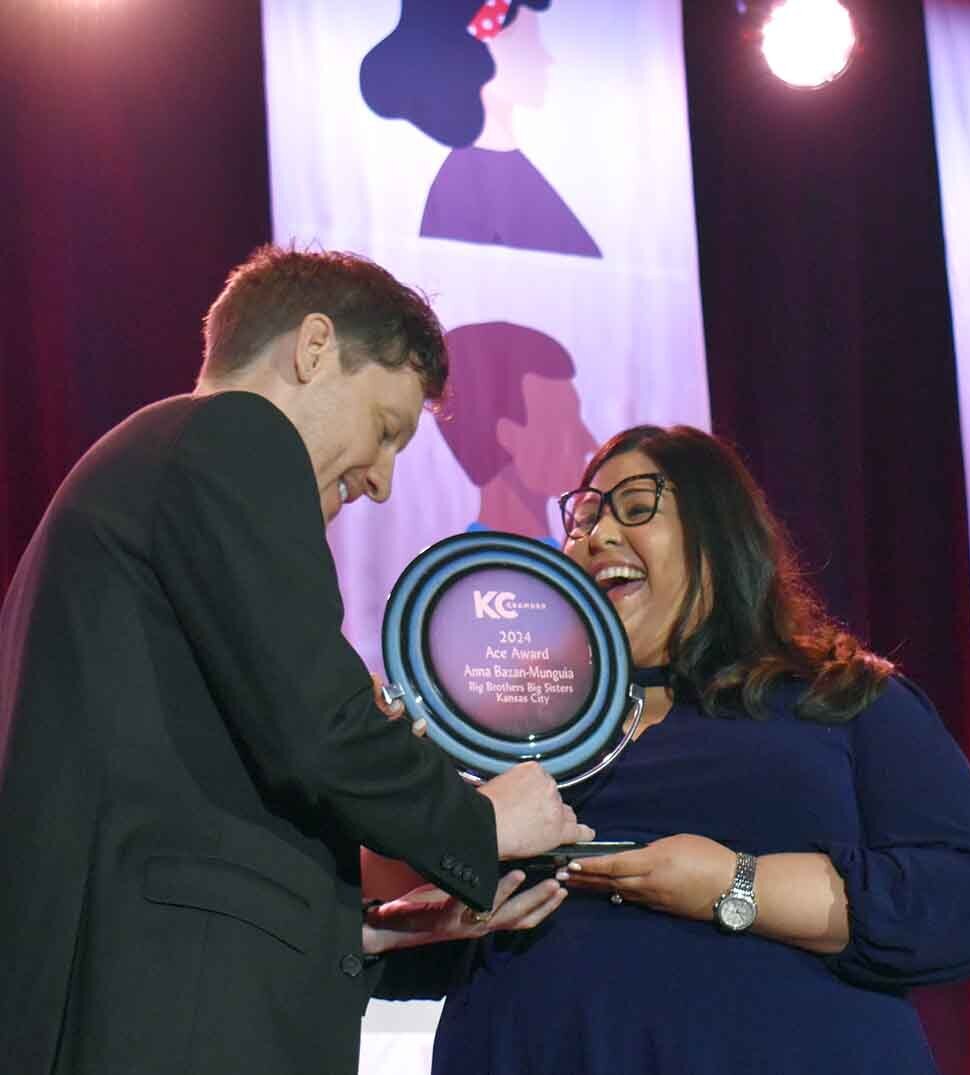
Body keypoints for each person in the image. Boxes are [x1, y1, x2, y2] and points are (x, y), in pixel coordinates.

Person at [0, 246, 592, 1075]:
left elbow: (185, 796)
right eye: (386, 430)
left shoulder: (144, 474)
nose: (383, 481)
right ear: (315, 348)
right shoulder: (233, 436)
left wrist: (357, 924)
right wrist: (485, 821)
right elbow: (318, 727)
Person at [373, 424, 970, 1073]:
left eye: (635, 505)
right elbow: (413, 938)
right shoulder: (510, 737)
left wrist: (730, 883)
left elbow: (965, 902)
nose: (595, 535)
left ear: (719, 535)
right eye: (584, 517)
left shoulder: (841, 699)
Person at [360, 0, 601, 256]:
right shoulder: (463, 190)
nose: (546, 58)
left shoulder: (507, 171)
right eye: (526, 41)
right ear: (470, 57)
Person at [436, 320, 597, 542]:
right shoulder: (482, 572)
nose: (591, 443)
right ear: (508, 437)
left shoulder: (566, 564)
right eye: (567, 420)